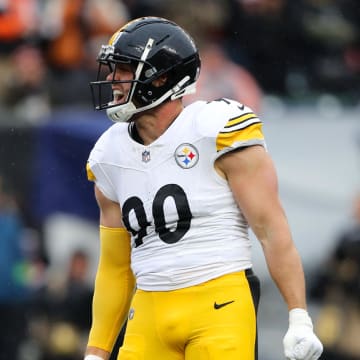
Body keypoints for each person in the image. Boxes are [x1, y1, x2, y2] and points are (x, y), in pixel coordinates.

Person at [84, 16, 323, 360]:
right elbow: (115, 266)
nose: (111, 79)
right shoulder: (108, 155)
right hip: (149, 312)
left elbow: (271, 229)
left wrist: (298, 315)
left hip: (219, 302)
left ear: (161, 76)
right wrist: (97, 351)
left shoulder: (217, 129)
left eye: (123, 69)